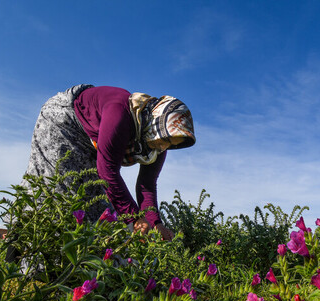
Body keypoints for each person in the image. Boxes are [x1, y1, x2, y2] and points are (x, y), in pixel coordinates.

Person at [21, 85, 196, 240]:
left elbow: (146, 185)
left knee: (96, 208)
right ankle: (20, 252)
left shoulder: (157, 145)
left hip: (92, 141)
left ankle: (78, 270)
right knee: (56, 191)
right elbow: (107, 172)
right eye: (166, 138)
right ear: (157, 121)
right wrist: (135, 219)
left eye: (171, 144)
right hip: (64, 122)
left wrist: (155, 223)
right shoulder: (120, 113)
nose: (164, 145)